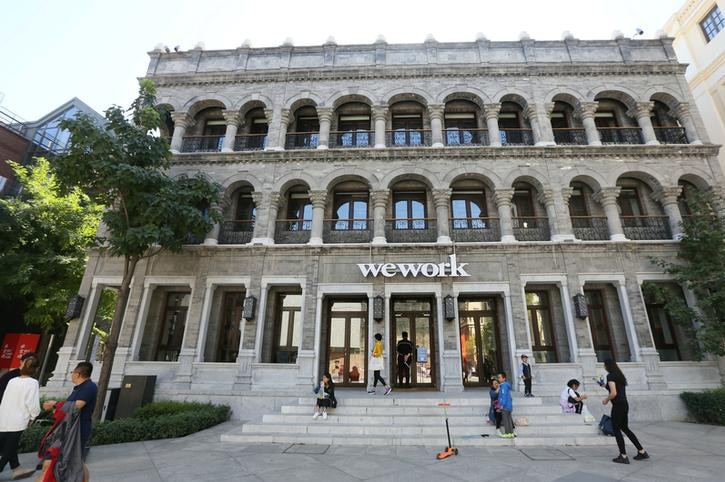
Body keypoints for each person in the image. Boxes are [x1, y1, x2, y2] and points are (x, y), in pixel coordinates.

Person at [43, 362, 98, 454]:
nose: (71, 375)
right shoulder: (80, 387)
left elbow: (78, 405)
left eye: (72, 372)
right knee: (74, 461)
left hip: (78, 428)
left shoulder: (89, 386)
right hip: (70, 427)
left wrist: (55, 404)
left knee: (72, 459)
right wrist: (55, 408)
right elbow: (69, 405)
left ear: (77, 374)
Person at [601, 358, 649, 464]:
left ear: (608, 366)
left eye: (604, 365)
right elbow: (615, 389)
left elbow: (613, 393)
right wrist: (604, 386)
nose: (604, 367)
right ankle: (641, 451)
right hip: (624, 404)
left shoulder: (610, 376)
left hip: (617, 405)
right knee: (625, 428)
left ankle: (623, 456)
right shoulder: (619, 376)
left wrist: (606, 399)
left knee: (616, 429)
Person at [0, 354, 40, 480]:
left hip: (4, 417)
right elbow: (32, 404)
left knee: (8, 445)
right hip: (19, 420)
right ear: (36, 369)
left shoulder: (12, 380)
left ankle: (17, 469)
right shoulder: (33, 383)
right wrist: (33, 416)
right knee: (9, 448)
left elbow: (5, 400)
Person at [496, 371, 514, 438]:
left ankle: (507, 433)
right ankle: (511, 433)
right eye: (498, 377)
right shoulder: (506, 386)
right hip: (509, 406)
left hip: (505, 406)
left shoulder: (503, 386)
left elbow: (503, 396)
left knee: (506, 420)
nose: (498, 379)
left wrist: (501, 405)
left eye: (499, 377)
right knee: (509, 420)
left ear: (504, 378)